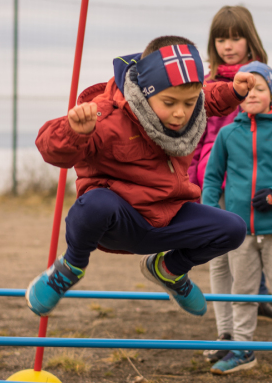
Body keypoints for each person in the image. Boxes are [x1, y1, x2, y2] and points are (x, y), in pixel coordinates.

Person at [25, 36, 256, 318]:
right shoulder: (108, 117)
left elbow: (209, 97)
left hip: (170, 218)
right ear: (146, 92)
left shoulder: (191, 108)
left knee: (233, 228)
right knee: (95, 203)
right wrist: (74, 132)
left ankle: (169, 269)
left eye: (189, 102)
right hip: (121, 222)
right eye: (169, 102)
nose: (180, 113)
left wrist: (233, 91)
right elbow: (50, 149)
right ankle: (70, 267)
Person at [189, 6, 272, 362]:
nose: (228, 46)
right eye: (221, 39)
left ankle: (268, 339)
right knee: (219, 263)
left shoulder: (269, 79)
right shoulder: (204, 85)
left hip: (255, 192)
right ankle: (227, 334)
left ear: (250, 40)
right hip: (212, 185)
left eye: (235, 38)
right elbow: (195, 136)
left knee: (255, 269)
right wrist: (192, 182)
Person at [201, 62, 272, 379]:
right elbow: (212, 179)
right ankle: (242, 349)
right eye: (247, 89)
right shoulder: (227, 134)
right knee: (242, 293)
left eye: (260, 88)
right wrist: (211, 214)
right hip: (240, 231)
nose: (252, 94)